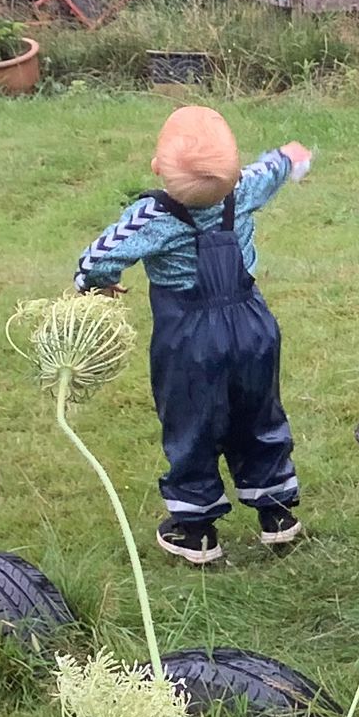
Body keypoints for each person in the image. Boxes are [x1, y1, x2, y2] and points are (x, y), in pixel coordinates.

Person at [74, 106, 314, 564]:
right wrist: (290, 156)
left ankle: (196, 530)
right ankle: (278, 514)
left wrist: (96, 284)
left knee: (192, 426)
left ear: (157, 167)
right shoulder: (241, 191)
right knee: (259, 415)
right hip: (253, 330)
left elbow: (95, 260)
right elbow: (274, 168)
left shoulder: (151, 217)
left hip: (189, 342)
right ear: (233, 168)